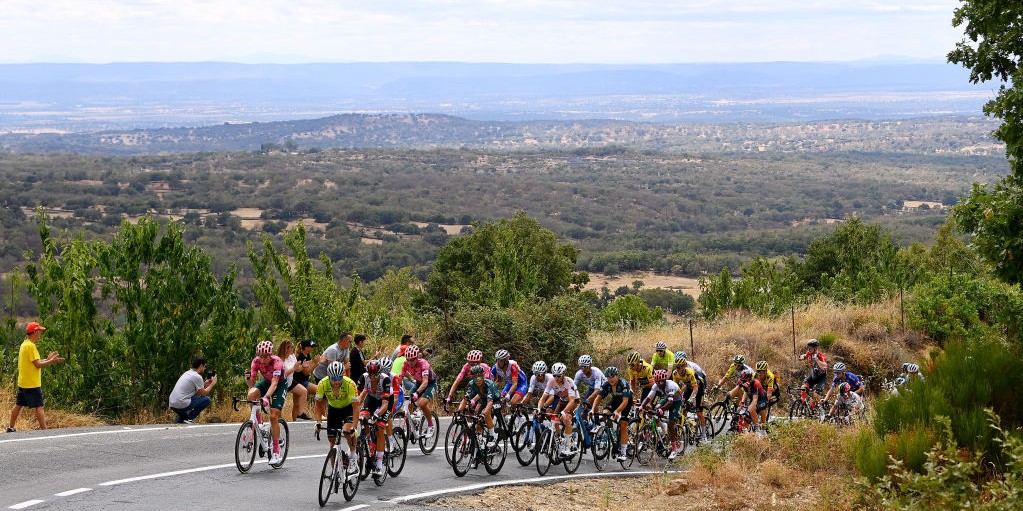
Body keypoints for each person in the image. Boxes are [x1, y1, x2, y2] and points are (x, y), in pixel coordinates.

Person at [7, 322, 64, 432]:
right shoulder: (31, 347)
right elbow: (38, 365)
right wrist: (51, 361)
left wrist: (48, 360)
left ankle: (11, 427)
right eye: (40, 331)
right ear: (35, 332)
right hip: (32, 383)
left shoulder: (25, 344)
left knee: (18, 405)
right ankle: (44, 431)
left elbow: (35, 362)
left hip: (23, 382)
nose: (40, 334)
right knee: (39, 406)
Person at [245, 340, 287, 465]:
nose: (262, 360)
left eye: (265, 357)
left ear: (270, 355)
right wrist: (248, 380)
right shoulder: (256, 361)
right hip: (266, 382)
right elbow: (252, 385)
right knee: (251, 395)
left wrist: (266, 397)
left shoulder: (277, 362)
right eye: (260, 356)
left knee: (273, 416)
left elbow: (274, 384)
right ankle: (259, 422)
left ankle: (276, 451)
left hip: (279, 384)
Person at [315, 361, 361, 465]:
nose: (337, 381)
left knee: (347, 430)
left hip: (348, 408)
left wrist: (354, 427)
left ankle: (353, 456)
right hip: (333, 409)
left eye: (339, 378)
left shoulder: (350, 384)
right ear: (329, 377)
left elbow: (356, 407)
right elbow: (318, 404)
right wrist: (318, 422)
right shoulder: (322, 383)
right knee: (332, 441)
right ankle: (333, 474)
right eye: (334, 378)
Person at [357, 359, 394, 476]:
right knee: (364, 419)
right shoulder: (363, 378)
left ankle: (379, 464)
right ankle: (368, 443)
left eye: (375, 375)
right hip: (372, 398)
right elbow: (359, 399)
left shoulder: (385, 380)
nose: (373, 378)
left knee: (379, 428)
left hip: (386, 402)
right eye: (370, 375)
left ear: (380, 372)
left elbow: (385, 405)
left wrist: (377, 415)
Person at [537, 362, 579, 456]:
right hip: (562, 401)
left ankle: (568, 447)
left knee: (566, 418)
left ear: (563, 374)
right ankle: (561, 439)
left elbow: (572, 400)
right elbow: (543, 398)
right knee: (554, 420)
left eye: (559, 376)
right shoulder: (552, 381)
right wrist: (539, 408)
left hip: (573, 402)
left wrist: (564, 412)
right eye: (554, 375)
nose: (556, 378)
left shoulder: (569, 382)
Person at [591, 366, 632, 462]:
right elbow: (598, 398)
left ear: (617, 376)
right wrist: (593, 410)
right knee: (605, 414)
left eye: (612, 376)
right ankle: (611, 434)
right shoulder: (606, 384)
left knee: (623, 424)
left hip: (626, 402)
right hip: (615, 401)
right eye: (608, 377)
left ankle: (623, 452)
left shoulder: (623, 383)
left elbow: (625, 401)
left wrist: (617, 411)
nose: (610, 379)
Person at [641, 369, 685, 458]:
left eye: (661, 382)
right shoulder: (655, 385)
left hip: (676, 401)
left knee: (671, 424)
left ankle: (674, 449)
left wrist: (662, 409)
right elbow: (648, 398)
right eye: (657, 382)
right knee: (656, 409)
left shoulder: (671, 385)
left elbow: (670, 402)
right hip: (666, 398)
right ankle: (661, 429)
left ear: (664, 380)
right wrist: (642, 406)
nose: (659, 384)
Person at [400, 345, 438, 438]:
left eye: (412, 360)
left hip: (430, 384)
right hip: (418, 383)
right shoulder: (405, 364)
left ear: (417, 357)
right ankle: (412, 427)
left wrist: (417, 393)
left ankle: (431, 425)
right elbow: (400, 377)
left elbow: (425, 382)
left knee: (422, 403)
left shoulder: (423, 364)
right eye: (408, 359)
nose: (410, 362)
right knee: (409, 403)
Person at [459, 364, 502, 444]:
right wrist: (459, 410)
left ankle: (493, 435)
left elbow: (490, 402)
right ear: (472, 378)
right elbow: (465, 399)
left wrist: (484, 414)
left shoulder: (488, 384)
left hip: (495, 401)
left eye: (479, 377)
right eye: (475, 378)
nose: (477, 380)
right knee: (478, 422)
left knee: (486, 413)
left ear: (483, 376)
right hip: (483, 400)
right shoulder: (471, 384)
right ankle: (480, 440)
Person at [168, 356, 217, 424]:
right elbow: (203, 393)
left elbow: (194, 391)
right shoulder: (197, 376)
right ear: (201, 366)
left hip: (172, 403)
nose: (205, 368)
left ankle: (181, 421)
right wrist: (213, 384)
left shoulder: (187, 373)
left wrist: (204, 384)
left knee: (182, 418)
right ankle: (188, 418)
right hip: (181, 403)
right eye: (204, 366)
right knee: (206, 400)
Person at [672, 353, 706, 440]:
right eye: (676, 367)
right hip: (689, 387)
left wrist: (691, 399)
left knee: (699, 413)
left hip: (699, 388)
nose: (677, 369)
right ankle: (688, 425)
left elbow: (695, 388)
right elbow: (676, 388)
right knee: (682, 408)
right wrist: (673, 397)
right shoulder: (675, 373)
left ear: (684, 366)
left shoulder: (690, 372)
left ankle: (704, 435)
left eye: (679, 367)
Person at [277, 340, 312, 421]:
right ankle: (278, 419)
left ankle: (300, 414)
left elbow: (297, 369)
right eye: (292, 347)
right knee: (279, 405)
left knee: (303, 391)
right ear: (286, 348)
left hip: (290, 382)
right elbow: (283, 374)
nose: (294, 348)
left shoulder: (292, 356)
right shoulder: (279, 359)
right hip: (281, 383)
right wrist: (294, 368)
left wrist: (303, 366)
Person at [293, 339, 318, 416]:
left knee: (296, 405)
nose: (313, 348)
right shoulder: (301, 357)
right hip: (300, 382)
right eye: (312, 347)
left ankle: (295, 422)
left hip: (301, 381)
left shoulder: (307, 355)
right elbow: (306, 372)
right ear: (306, 348)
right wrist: (316, 363)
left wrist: (315, 362)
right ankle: (319, 414)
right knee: (320, 390)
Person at [799, 339, 829, 403]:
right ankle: (804, 403)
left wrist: (817, 360)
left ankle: (820, 410)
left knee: (815, 395)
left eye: (810, 348)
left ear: (815, 348)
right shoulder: (809, 353)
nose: (808, 349)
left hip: (821, 378)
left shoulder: (820, 355)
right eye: (808, 347)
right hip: (813, 377)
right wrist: (802, 356)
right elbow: (805, 355)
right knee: (803, 387)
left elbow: (825, 366)